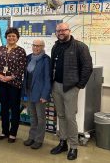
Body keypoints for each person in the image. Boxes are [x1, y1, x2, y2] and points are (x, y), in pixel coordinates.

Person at [50, 22, 93, 160]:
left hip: (71, 87)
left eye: (63, 30)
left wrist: (79, 85)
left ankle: (73, 147)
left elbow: (87, 67)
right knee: (61, 116)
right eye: (58, 31)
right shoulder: (55, 46)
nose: (61, 32)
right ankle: (62, 142)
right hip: (56, 85)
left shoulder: (80, 46)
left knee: (70, 117)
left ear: (69, 31)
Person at [0, 27, 26, 143]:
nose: (11, 38)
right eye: (9, 36)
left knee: (15, 109)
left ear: (17, 38)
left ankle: (13, 133)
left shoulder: (21, 51)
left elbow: (22, 68)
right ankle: (4, 131)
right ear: (6, 37)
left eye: (13, 36)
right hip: (1, 83)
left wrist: (10, 77)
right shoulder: (0, 49)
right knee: (4, 108)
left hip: (14, 84)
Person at [22, 39, 51, 149]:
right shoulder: (29, 57)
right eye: (34, 45)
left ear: (43, 47)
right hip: (29, 91)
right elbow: (26, 75)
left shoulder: (46, 60)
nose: (36, 47)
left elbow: (48, 79)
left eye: (39, 46)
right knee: (32, 116)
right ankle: (31, 137)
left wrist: (45, 95)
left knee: (40, 118)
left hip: (40, 94)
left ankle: (39, 139)